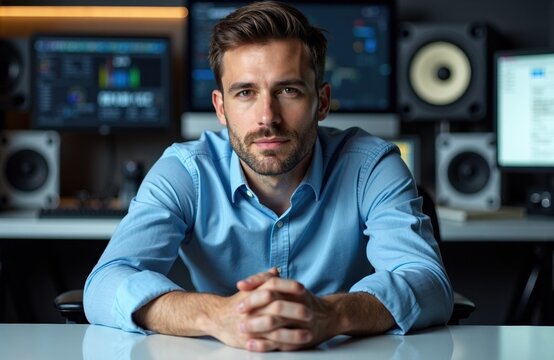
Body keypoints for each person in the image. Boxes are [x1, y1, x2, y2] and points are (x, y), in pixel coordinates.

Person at [84, 1, 453, 352]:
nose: (267, 117)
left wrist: (332, 314)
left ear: (321, 101)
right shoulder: (186, 171)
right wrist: (217, 315)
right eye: (245, 92)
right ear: (221, 108)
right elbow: (105, 283)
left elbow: (428, 281)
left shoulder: (371, 166)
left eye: (288, 90)